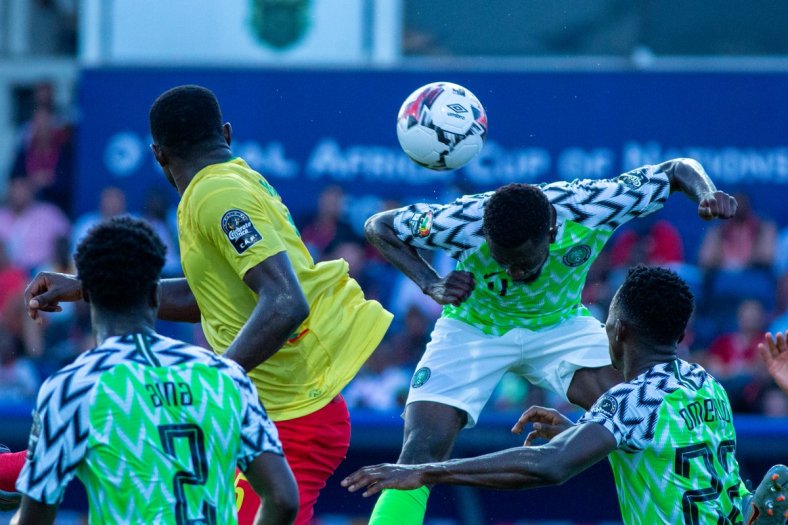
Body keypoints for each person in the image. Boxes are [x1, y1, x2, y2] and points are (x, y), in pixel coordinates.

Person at [24, 85, 393, 525]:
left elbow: (285, 301)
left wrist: (213, 381)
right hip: (276, 406)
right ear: (227, 134)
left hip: (292, 414)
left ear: (158, 154)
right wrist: (91, 285)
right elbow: (211, 298)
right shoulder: (229, 182)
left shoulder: (217, 195)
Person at [362, 158, 737, 523]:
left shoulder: (593, 204)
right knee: (418, 450)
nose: (513, 271)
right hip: (472, 327)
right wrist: (430, 282)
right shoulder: (462, 221)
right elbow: (379, 225)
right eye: (502, 260)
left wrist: (706, 193)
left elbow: (676, 170)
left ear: (552, 232)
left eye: (523, 262)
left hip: (559, 326)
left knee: (639, 405)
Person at [342, 265, 788, 525]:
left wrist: (429, 471)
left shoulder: (628, 401)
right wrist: (581, 429)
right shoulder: (703, 382)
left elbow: (548, 466)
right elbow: (669, 454)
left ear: (618, 331)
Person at [14, 217, 297, 525]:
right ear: (155, 295)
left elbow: (34, 519)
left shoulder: (73, 387)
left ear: (87, 297)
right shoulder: (225, 376)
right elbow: (282, 499)